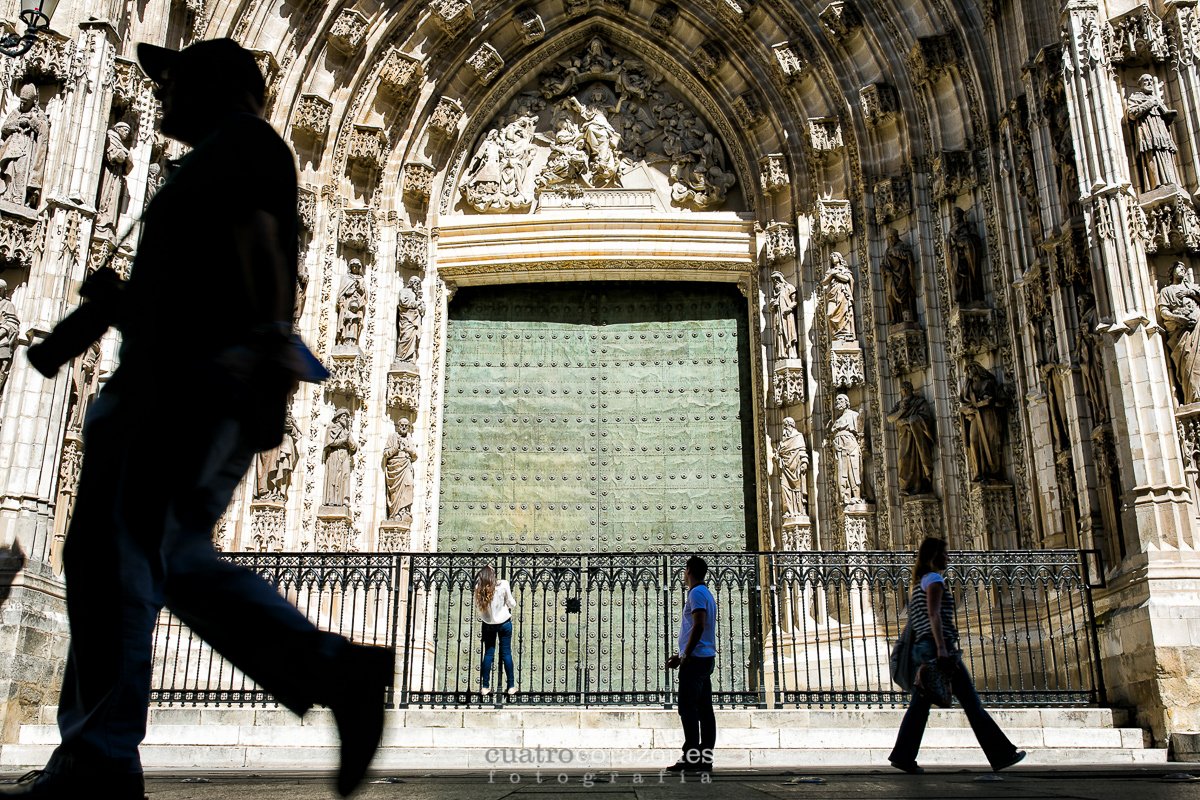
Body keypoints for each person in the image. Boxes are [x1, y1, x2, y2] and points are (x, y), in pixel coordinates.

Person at [14, 38, 391, 800]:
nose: (159, 97)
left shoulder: (247, 149)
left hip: (183, 393)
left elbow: (260, 268)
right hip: (176, 383)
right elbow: (209, 284)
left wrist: (262, 384)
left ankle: (105, 761)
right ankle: (100, 755)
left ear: (213, 84)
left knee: (132, 563)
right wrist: (122, 305)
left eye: (172, 81)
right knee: (133, 563)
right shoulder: (222, 155)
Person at [888, 537, 1025, 774]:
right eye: (944, 553)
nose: (948, 558)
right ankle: (1001, 753)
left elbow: (920, 618)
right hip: (938, 650)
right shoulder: (934, 580)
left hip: (924, 648)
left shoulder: (919, 582)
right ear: (934, 556)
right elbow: (934, 615)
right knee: (972, 703)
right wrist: (942, 648)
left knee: (920, 706)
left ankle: (903, 755)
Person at [666, 555, 717, 774]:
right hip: (705, 657)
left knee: (688, 709)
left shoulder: (696, 593)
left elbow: (698, 624)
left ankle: (691, 757)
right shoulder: (707, 593)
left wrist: (684, 654)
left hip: (695, 659)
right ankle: (704, 758)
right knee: (705, 710)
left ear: (688, 571)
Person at [474, 565, 517, 698]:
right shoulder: (503, 584)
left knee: (488, 654)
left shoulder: (478, 588)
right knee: (506, 654)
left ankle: (485, 687)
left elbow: (479, 608)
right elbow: (512, 603)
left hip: (488, 624)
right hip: (504, 623)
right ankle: (510, 687)